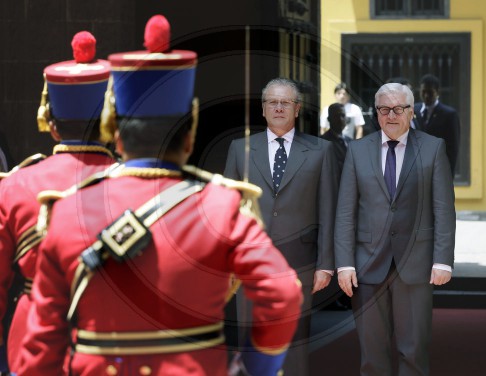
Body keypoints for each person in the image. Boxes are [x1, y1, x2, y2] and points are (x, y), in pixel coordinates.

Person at [18, 15, 302, 376]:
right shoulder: (221, 205)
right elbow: (283, 294)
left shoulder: (68, 208)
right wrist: (256, 367)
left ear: (114, 131)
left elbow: (41, 342)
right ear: (191, 131)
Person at [0, 31, 116, 374]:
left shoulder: (15, 185)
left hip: (30, 345)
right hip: (113, 344)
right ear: (111, 120)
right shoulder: (136, 183)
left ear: (50, 123)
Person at [335, 82, 456, 376]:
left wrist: (443, 260)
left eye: (399, 109)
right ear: (376, 113)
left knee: (413, 353)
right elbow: (345, 211)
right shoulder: (357, 150)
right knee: (372, 356)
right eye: (385, 109)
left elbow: (443, 208)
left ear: (411, 112)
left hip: (416, 265)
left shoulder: (432, 147)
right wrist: (344, 264)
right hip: (366, 266)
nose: (392, 115)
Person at [224, 77, 336, 376]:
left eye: (285, 102)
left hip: (300, 263)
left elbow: (328, 211)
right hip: (249, 264)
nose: (278, 107)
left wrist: (326, 264)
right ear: (263, 109)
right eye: (272, 102)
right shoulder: (240, 150)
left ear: (297, 109)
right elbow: (228, 210)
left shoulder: (321, 151)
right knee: (251, 340)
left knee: (295, 341)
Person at [414, 73, 460, 175]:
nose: (426, 96)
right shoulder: (413, 110)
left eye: (430, 92)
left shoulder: (449, 114)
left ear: (437, 92)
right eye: (423, 91)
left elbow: (452, 149)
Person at [321, 102, 351, 178]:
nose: (340, 119)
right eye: (336, 116)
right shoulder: (322, 143)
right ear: (329, 119)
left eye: (343, 115)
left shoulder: (351, 141)